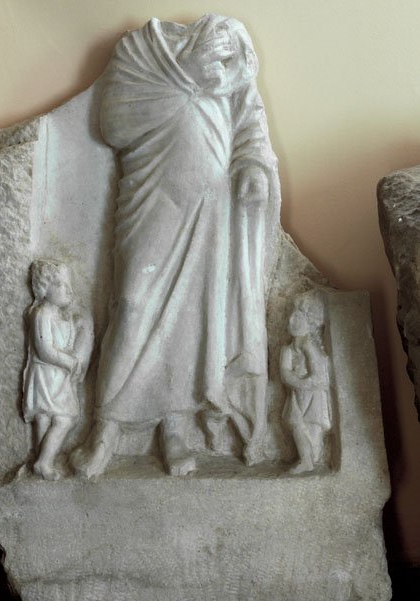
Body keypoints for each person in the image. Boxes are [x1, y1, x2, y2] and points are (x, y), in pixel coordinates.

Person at [72, 15, 280, 478]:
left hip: (211, 211)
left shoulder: (228, 58)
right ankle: (105, 426)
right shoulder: (138, 50)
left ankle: (175, 428)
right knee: (132, 303)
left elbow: (250, 124)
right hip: (153, 201)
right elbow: (114, 125)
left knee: (192, 318)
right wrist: (188, 78)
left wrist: (251, 167)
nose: (221, 63)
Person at [23, 260, 93, 480]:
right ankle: (44, 462)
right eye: (61, 284)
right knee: (65, 419)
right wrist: (70, 362)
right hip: (47, 374)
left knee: (45, 418)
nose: (69, 290)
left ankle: (43, 461)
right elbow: (44, 349)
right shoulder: (42, 313)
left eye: (69, 284)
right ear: (44, 288)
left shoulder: (60, 315)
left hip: (55, 376)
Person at [280, 290, 332, 474]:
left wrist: (305, 384)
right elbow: (284, 373)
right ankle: (307, 460)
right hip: (298, 391)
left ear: (310, 322)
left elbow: (319, 375)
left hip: (312, 392)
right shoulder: (288, 348)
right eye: (291, 315)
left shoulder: (308, 345)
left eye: (298, 317)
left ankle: (309, 459)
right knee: (294, 422)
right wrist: (298, 383)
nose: (291, 320)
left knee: (308, 425)